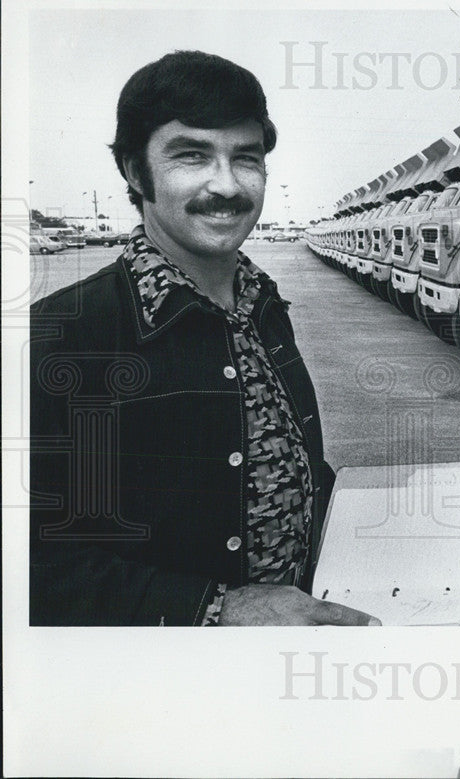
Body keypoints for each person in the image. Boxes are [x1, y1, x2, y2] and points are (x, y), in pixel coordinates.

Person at [30, 50, 379, 626]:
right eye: (191, 156)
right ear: (135, 172)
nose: (227, 185)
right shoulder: (64, 339)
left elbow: (275, 463)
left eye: (247, 159)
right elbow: (34, 567)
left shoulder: (263, 306)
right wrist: (216, 610)